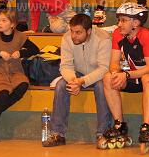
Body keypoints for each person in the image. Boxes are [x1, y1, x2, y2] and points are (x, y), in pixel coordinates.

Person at [102, 2, 149, 153]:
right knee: (107, 78)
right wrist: (115, 73)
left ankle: (146, 127)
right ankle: (119, 125)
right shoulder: (117, 34)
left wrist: (126, 74)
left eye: (123, 20)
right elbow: (113, 63)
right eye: (119, 20)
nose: (119, 24)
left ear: (135, 23)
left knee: (147, 78)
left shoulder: (147, 36)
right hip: (134, 76)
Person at [43, 14, 113, 147]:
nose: (73, 36)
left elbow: (104, 68)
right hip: (77, 74)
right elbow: (65, 66)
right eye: (72, 31)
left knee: (102, 86)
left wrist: (82, 81)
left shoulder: (103, 39)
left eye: (78, 32)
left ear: (89, 31)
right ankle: (58, 134)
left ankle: (103, 133)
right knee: (61, 85)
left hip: (98, 74)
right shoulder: (67, 38)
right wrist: (73, 81)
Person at [0, 10, 39, 141]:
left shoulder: (20, 36)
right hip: (0, 72)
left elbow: (35, 49)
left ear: (12, 24)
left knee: (23, 85)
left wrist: (21, 53)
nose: (0, 23)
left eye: (4, 20)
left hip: (16, 71)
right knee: (3, 93)